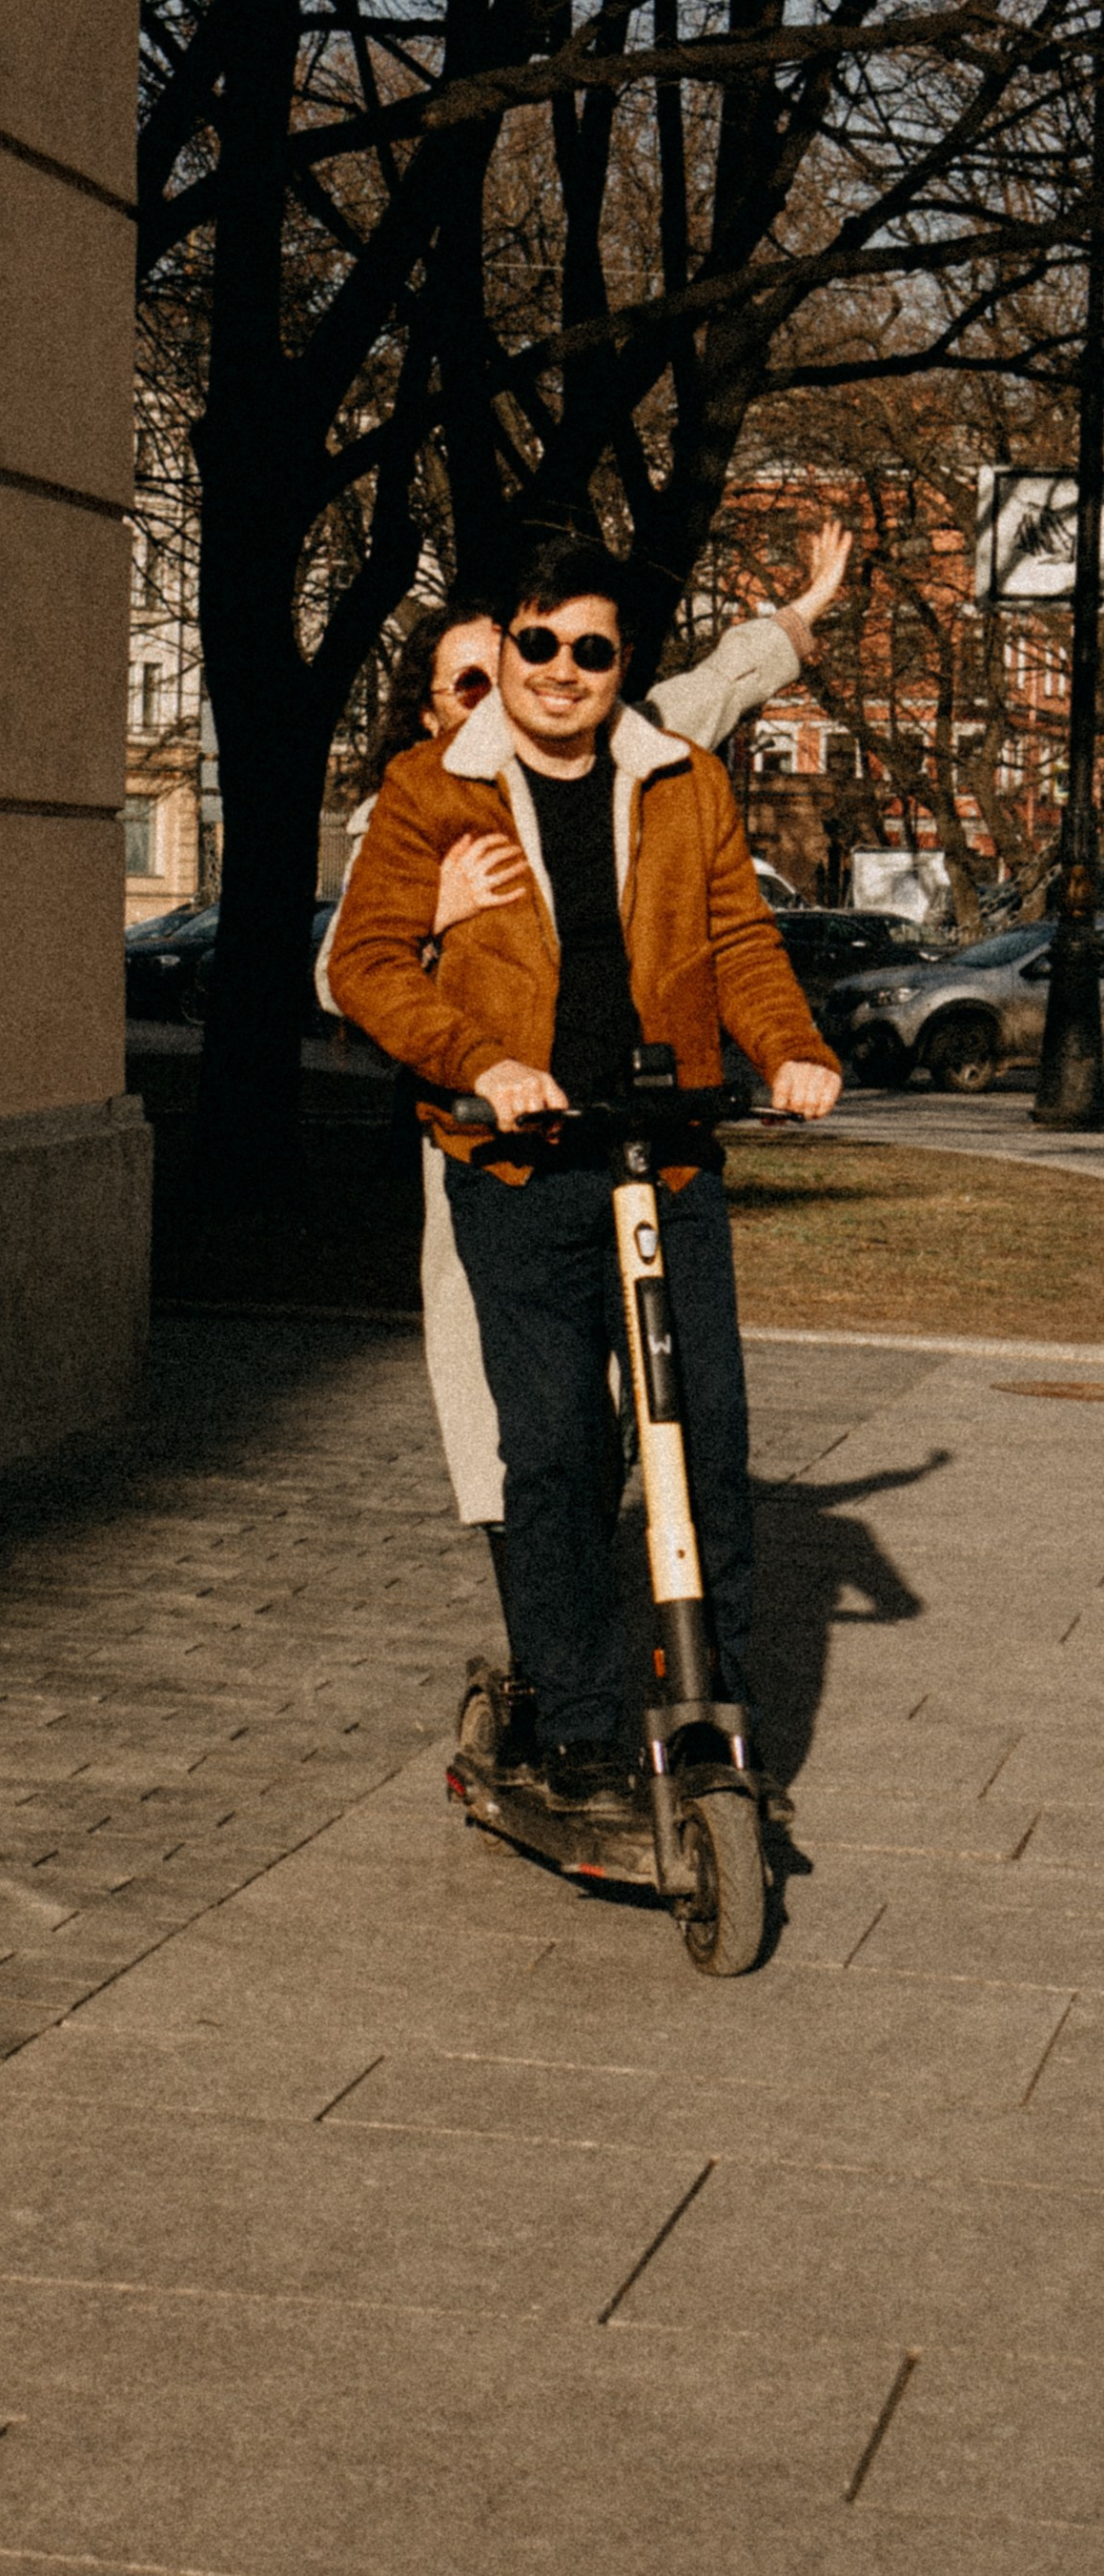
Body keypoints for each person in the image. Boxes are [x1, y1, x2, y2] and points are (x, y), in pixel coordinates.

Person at [326, 533, 841, 1820]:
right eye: (539, 642)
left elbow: (739, 939)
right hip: (515, 1168)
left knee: (702, 1436)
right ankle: (583, 1723)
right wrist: (480, 1061)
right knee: (552, 1450)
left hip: (661, 1151)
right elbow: (365, 965)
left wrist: (790, 1047)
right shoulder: (427, 787)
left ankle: (710, 1700)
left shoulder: (681, 782)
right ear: (504, 647)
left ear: (623, 665)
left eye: (591, 649)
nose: (561, 670)